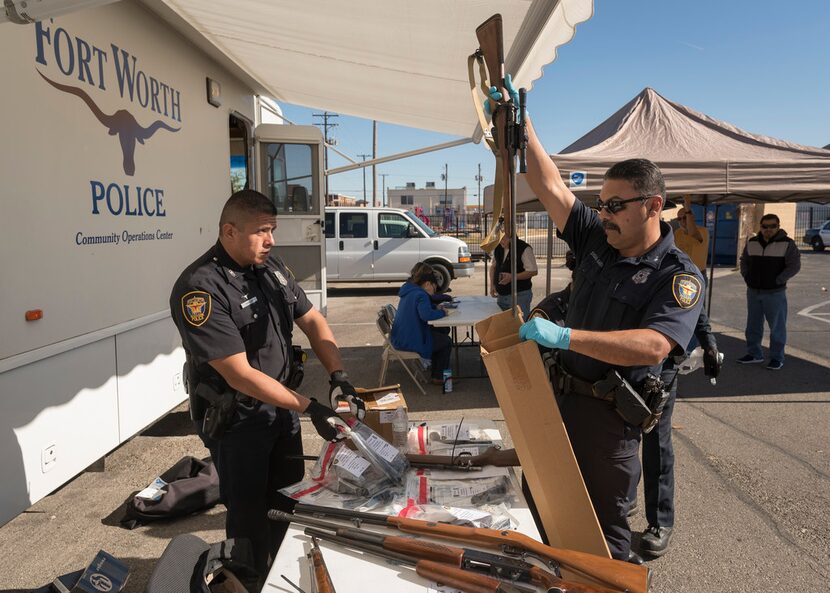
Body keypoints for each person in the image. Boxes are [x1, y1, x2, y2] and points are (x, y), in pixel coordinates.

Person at [490, 77, 704, 563]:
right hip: (557, 403)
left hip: (610, 422)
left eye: (614, 205)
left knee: (602, 539)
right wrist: (521, 126)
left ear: (652, 206)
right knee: (541, 515)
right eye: (601, 204)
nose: (602, 213)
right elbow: (548, 185)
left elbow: (654, 345)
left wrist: (566, 336)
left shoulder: (677, 276)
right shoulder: (597, 240)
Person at [169, 189, 364, 581]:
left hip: (281, 414)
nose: (271, 239)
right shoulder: (200, 288)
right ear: (229, 231)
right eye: (262, 231)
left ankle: (283, 576)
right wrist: (310, 408)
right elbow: (239, 374)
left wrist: (339, 376)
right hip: (238, 421)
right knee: (248, 519)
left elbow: (312, 321)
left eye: (272, 229)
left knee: (287, 504)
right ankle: (248, 581)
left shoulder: (271, 268)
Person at [634, 309, 722, 558]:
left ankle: (661, 521)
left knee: (657, 442)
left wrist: (708, 342)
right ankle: (622, 502)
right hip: (620, 360)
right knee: (618, 440)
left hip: (661, 366)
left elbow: (691, 303)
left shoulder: (675, 269)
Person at [737, 213, 801, 370]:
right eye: (765, 226)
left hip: (775, 293)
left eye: (772, 226)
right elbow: (744, 261)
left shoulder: (787, 243)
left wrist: (778, 280)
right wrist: (747, 277)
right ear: (761, 227)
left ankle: (777, 358)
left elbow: (794, 266)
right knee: (752, 325)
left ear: (778, 226)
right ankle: (754, 354)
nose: (768, 229)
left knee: (777, 327)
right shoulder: (752, 242)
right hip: (753, 291)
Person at [390, 267, 452, 385]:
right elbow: (426, 315)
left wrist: (435, 308)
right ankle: (438, 377)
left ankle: (437, 372)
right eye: (434, 287)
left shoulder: (410, 291)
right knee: (446, 342)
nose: (434, 291)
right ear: (428, 283)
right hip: (411, 339)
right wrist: (442, 312)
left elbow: (419, 310)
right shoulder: (420, 294)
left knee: (442, 332)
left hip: (401, 336)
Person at [489, 230, 538, 319]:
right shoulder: (498, 248)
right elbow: (493, 267)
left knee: (519, 327)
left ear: (512, 237)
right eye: (498, 238)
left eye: (503, 239)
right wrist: (492, 284)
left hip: (520, 296)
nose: (500, 241)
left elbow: (533, 271)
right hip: (502, 296)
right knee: (503, 327)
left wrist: (513, 277)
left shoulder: (524, 248)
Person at [673, 195, 709, 276]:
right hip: (682, 272)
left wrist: (688, 209)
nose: (682, 221)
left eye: (685, 217)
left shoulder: (703, 231)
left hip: (697, 274)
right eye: (679, 219)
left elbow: (692, 232)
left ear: (692, 217)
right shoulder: (677, 233)